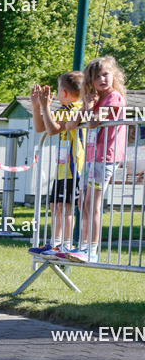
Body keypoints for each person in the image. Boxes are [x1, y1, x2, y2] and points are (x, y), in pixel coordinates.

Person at [67, 56, 127, 264]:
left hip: (105, 156)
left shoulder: (114, 98)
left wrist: (90, 107)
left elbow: (92, 124)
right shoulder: (94, 100)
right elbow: (70, 126)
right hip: (92, 157)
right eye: (96, 77)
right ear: (89, 82)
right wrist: (86, 104)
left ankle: (91, 249)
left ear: (114, 76)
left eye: (105, 74)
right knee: (83, 202)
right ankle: (82, 246)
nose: (102, 79)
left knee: (93, 203)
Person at [28, 72, 85, 261]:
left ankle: (66, 244)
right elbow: (40, 127)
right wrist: (37, 107)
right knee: (56, 205)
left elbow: (52, 130)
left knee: (66, 206)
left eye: (59, 90)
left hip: (74, 167)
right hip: (61, 168)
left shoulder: (76, 108)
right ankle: (55, 241)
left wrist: (45, 106)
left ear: (65, 92)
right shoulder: (64, 108)